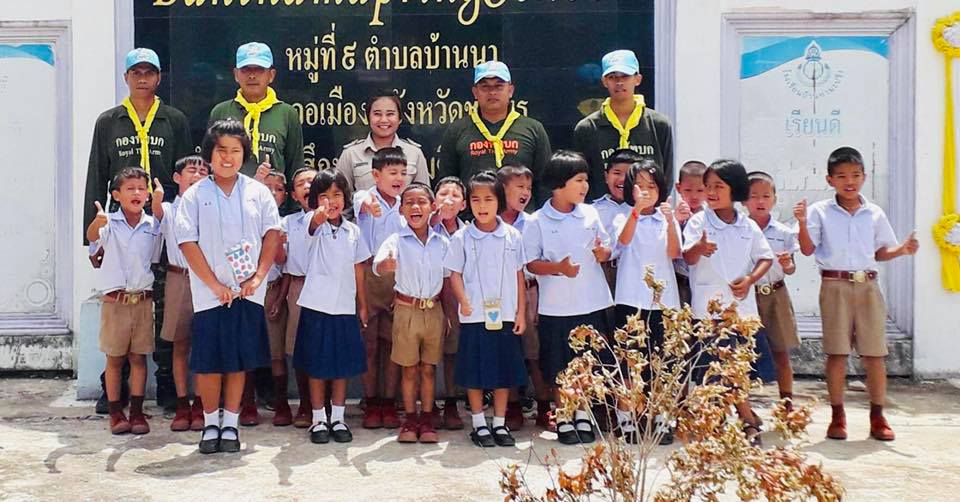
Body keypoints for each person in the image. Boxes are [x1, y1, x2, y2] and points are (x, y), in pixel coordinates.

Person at [83, 47, 193, 414]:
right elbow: (96, 176)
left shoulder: (173, 119)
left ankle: (163, 384)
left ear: (159, 77)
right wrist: (92, 237)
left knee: (159, 306)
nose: (143, 78)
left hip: (160, 226)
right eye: (136, 73)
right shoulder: (109, 121)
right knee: (120, 307)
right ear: (126, 78)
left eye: (149, 72)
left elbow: (185, 177)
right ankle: (111, 385)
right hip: (119, 228)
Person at [795, 146, 918, 442]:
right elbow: (808, 249)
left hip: (868, 287)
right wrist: (801, 223)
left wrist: (901, 250)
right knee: (836, 352)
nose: (849, 181)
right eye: (841, 176)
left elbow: (880, 252)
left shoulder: (873, 213)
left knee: (875, 354)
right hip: (834, 285)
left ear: (864, 176)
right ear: (829, 179)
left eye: (855, 175)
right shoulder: (820, 212)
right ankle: (838, 415)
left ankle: (878, 416)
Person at [175, 119, 283, 454]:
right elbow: (187, 242)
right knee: (209, 362)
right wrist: (214, 284)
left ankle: (231, 424)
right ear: (209, 154)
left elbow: (272, 235)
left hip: (247, 293)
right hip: (210, 295)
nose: (228, 157)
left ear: (244, 155)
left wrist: (258, 277)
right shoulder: (195, 195)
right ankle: (210, 423)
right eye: (222, 150)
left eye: (235, 150)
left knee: (237, 361)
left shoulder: (258, 192)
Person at [523, 150, 613, 445]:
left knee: (587, 362)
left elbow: (605, 247)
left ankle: (583, 414)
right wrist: (558, 269)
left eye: (586, 180)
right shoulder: (537, 220)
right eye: (579, 180)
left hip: (592, 302)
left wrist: (604, 253)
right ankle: (564, 416)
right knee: (560, 366)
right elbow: (531, 263)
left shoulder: (590, 213)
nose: (585, 186)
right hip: (557, 308)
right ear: (559, 184)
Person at [681, 159, 773, 446]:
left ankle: (742, 419)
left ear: (735, 190)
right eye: (708, 187)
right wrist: (699, 247)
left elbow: (765, 257)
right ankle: (741, 419)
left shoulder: (747, 224)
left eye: (718, 186)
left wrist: (749, 280)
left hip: (741, 312)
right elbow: (687, 257)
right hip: (709, 312)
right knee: (714, 371)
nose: (710, 192)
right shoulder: (699, 221)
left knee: (738, 369)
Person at [444, 171, 528, 448]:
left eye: (489, 199)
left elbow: (519, 276)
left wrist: (520, 313)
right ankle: (479, 423)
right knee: (475, 372)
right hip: (475, 316)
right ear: (468, 203)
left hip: (504, 316)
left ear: (499, 201)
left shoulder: (512, 236)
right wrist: (464, 301)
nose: (482, 206)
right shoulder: (462, 237)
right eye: (476, 200)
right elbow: (454, 273)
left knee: (503, 373)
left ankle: (500, 423)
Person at [292, 170, 371, 444]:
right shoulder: (310, 222)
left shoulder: (354, 231)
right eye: (324, 196)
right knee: (316, 366)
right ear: (315, 200)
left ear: (346, 198)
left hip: (345, 307)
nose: (331, 201)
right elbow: (313, 223)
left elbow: (358, 268)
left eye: (337, 195)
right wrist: (319, 215)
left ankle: (338, 417)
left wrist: (362, 304)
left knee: (341, 366)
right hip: (317, 306)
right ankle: (318, 419)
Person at [86, 167, 161, 435]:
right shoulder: (109, 224)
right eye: (130, 189)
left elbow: (154, 259)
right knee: (115, 359)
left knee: (139, 358)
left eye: (142, 188)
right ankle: (116, 412)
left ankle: (138, 412)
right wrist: (97, 222)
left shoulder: (153, 226)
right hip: (115, 302)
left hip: (141, 301)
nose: (137, 193)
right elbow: (93, 240)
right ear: (117, 195)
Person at [611, 159, 681, 444]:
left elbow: (675, 253)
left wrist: (671, 221)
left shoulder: (667, 217)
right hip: (631, 299)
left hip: (665, 302)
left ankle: (663, 418)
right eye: (639, 187)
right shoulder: (623, 216)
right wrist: (636, 212)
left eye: (651, 186)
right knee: (630, 364)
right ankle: (626, 419)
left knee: (663, 364)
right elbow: (623, 242)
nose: (645, 192)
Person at [373, 183, 450, 444]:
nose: (416, 207)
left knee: (428, 368)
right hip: (407, 310)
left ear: (433, 207)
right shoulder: (395, 240)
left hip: (434, 310)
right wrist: (387, 264)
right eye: (409, 203)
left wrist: (449, 314)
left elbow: (450, 277)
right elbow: (379, 266)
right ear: (401, 210)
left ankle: (427, 418)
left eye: (422, 202)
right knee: (408, 369)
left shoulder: (442, 242)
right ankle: (409, 417)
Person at [436, 61, 552, 205]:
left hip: (521, 222)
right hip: (472, 220)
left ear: (510, 90)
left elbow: (545, 182)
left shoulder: (533, 129)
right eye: (485, 87)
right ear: (475, 92)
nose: (492, 92)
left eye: (499, 86)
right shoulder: (457, 130)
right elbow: (448, 180)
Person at [208, 42, 304, 211]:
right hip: (228, 206)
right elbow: (210, 162)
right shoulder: (221, 111)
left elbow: (295, 165)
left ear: (271, 75)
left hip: (273, 208)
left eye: (259, 69)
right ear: (236, 74)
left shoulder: (287, 113)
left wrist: (293, 212)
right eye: (246, 70)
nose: (252, 76)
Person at [151, 156, 209, 432]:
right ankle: (182, 401)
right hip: (177, 278)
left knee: (202, 344)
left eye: (202, 170)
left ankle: (201, 402)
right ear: (177, 177)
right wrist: (157, 196)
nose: (197, 174)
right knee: (179, 344)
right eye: (191, 170)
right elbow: (156, 212)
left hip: (206, 280)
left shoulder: (210, 206)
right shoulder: (169, 209)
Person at [354, 147, 410, 429]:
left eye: (403, 172)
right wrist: (369, 205)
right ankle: (371, 399)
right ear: (375, 175)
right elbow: (362, 202)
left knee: (392, 343)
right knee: (369, 343)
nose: (399, 177)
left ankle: (389, 400)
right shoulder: (365, 198)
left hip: (398, 279)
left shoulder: (406, 206)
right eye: (392, 172)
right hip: (367, 277)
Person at [573, 50, 674, 201]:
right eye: (612, 77)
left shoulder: (659, 124)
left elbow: (666, 174)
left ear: (637, 79)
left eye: (625, 76)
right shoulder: (587, 128)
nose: (619, 82)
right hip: (602, 215)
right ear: (604, 81)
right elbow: (582, 177)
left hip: (647, 212)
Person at [497, 164, 550, 430]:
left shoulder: (533, 222)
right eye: (519, 187)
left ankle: (544, 406)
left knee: (533, 352)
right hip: (499, 295)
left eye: (528, 188)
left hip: (528, 292)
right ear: (502, 189)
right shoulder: (489, 222)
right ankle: (512, 406)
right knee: (505, 351)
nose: (525, 193)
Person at [744, 171, 801, 409]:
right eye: (754, 196)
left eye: (766, 196)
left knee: (781, 350)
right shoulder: (740, 229)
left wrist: (788, 265)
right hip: (747, 297)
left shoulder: (784, 233)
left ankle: (786, 404)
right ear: (743, 201)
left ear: (775, 199)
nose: (760, 201)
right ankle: (742, 405)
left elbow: (791, 269)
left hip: (776, 294)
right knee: (743, 354)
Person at [279, 168, 320, 428]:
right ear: (294, 194)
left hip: (326, 287)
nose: (307, 186)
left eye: (312, 181)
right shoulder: (287, 223)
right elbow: (282, 261)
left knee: (324, 345)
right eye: (300, 183)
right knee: (298, 347)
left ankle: (326, 405)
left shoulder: (336, 221)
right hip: (297, 286)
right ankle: (305, 403)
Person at [337, 90, 430, 196]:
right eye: (377, 114)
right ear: (368, 118)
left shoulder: (414, 153)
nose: (384, 120)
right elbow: (341, 198)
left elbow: (424, 197)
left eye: (390, 114)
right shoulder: (350, 154)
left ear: (399, 119)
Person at [433, 177, 468, 431]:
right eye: (443, 193)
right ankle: (427, 405)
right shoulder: (424, 227)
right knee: (429, 352)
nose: (448, 199)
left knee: (453, 351)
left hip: (458, 297)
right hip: (430, 297)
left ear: (464, 204)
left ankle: (452, 402)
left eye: (455, 195)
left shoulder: (468, 232)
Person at [673, 160, 706, 306]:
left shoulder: (710, 217)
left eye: (700, 190)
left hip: (703, 282)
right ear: (678, 188)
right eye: (688, 190)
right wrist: (676, 222)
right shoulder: (670, 215)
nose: (694, 196)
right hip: (679, 281)